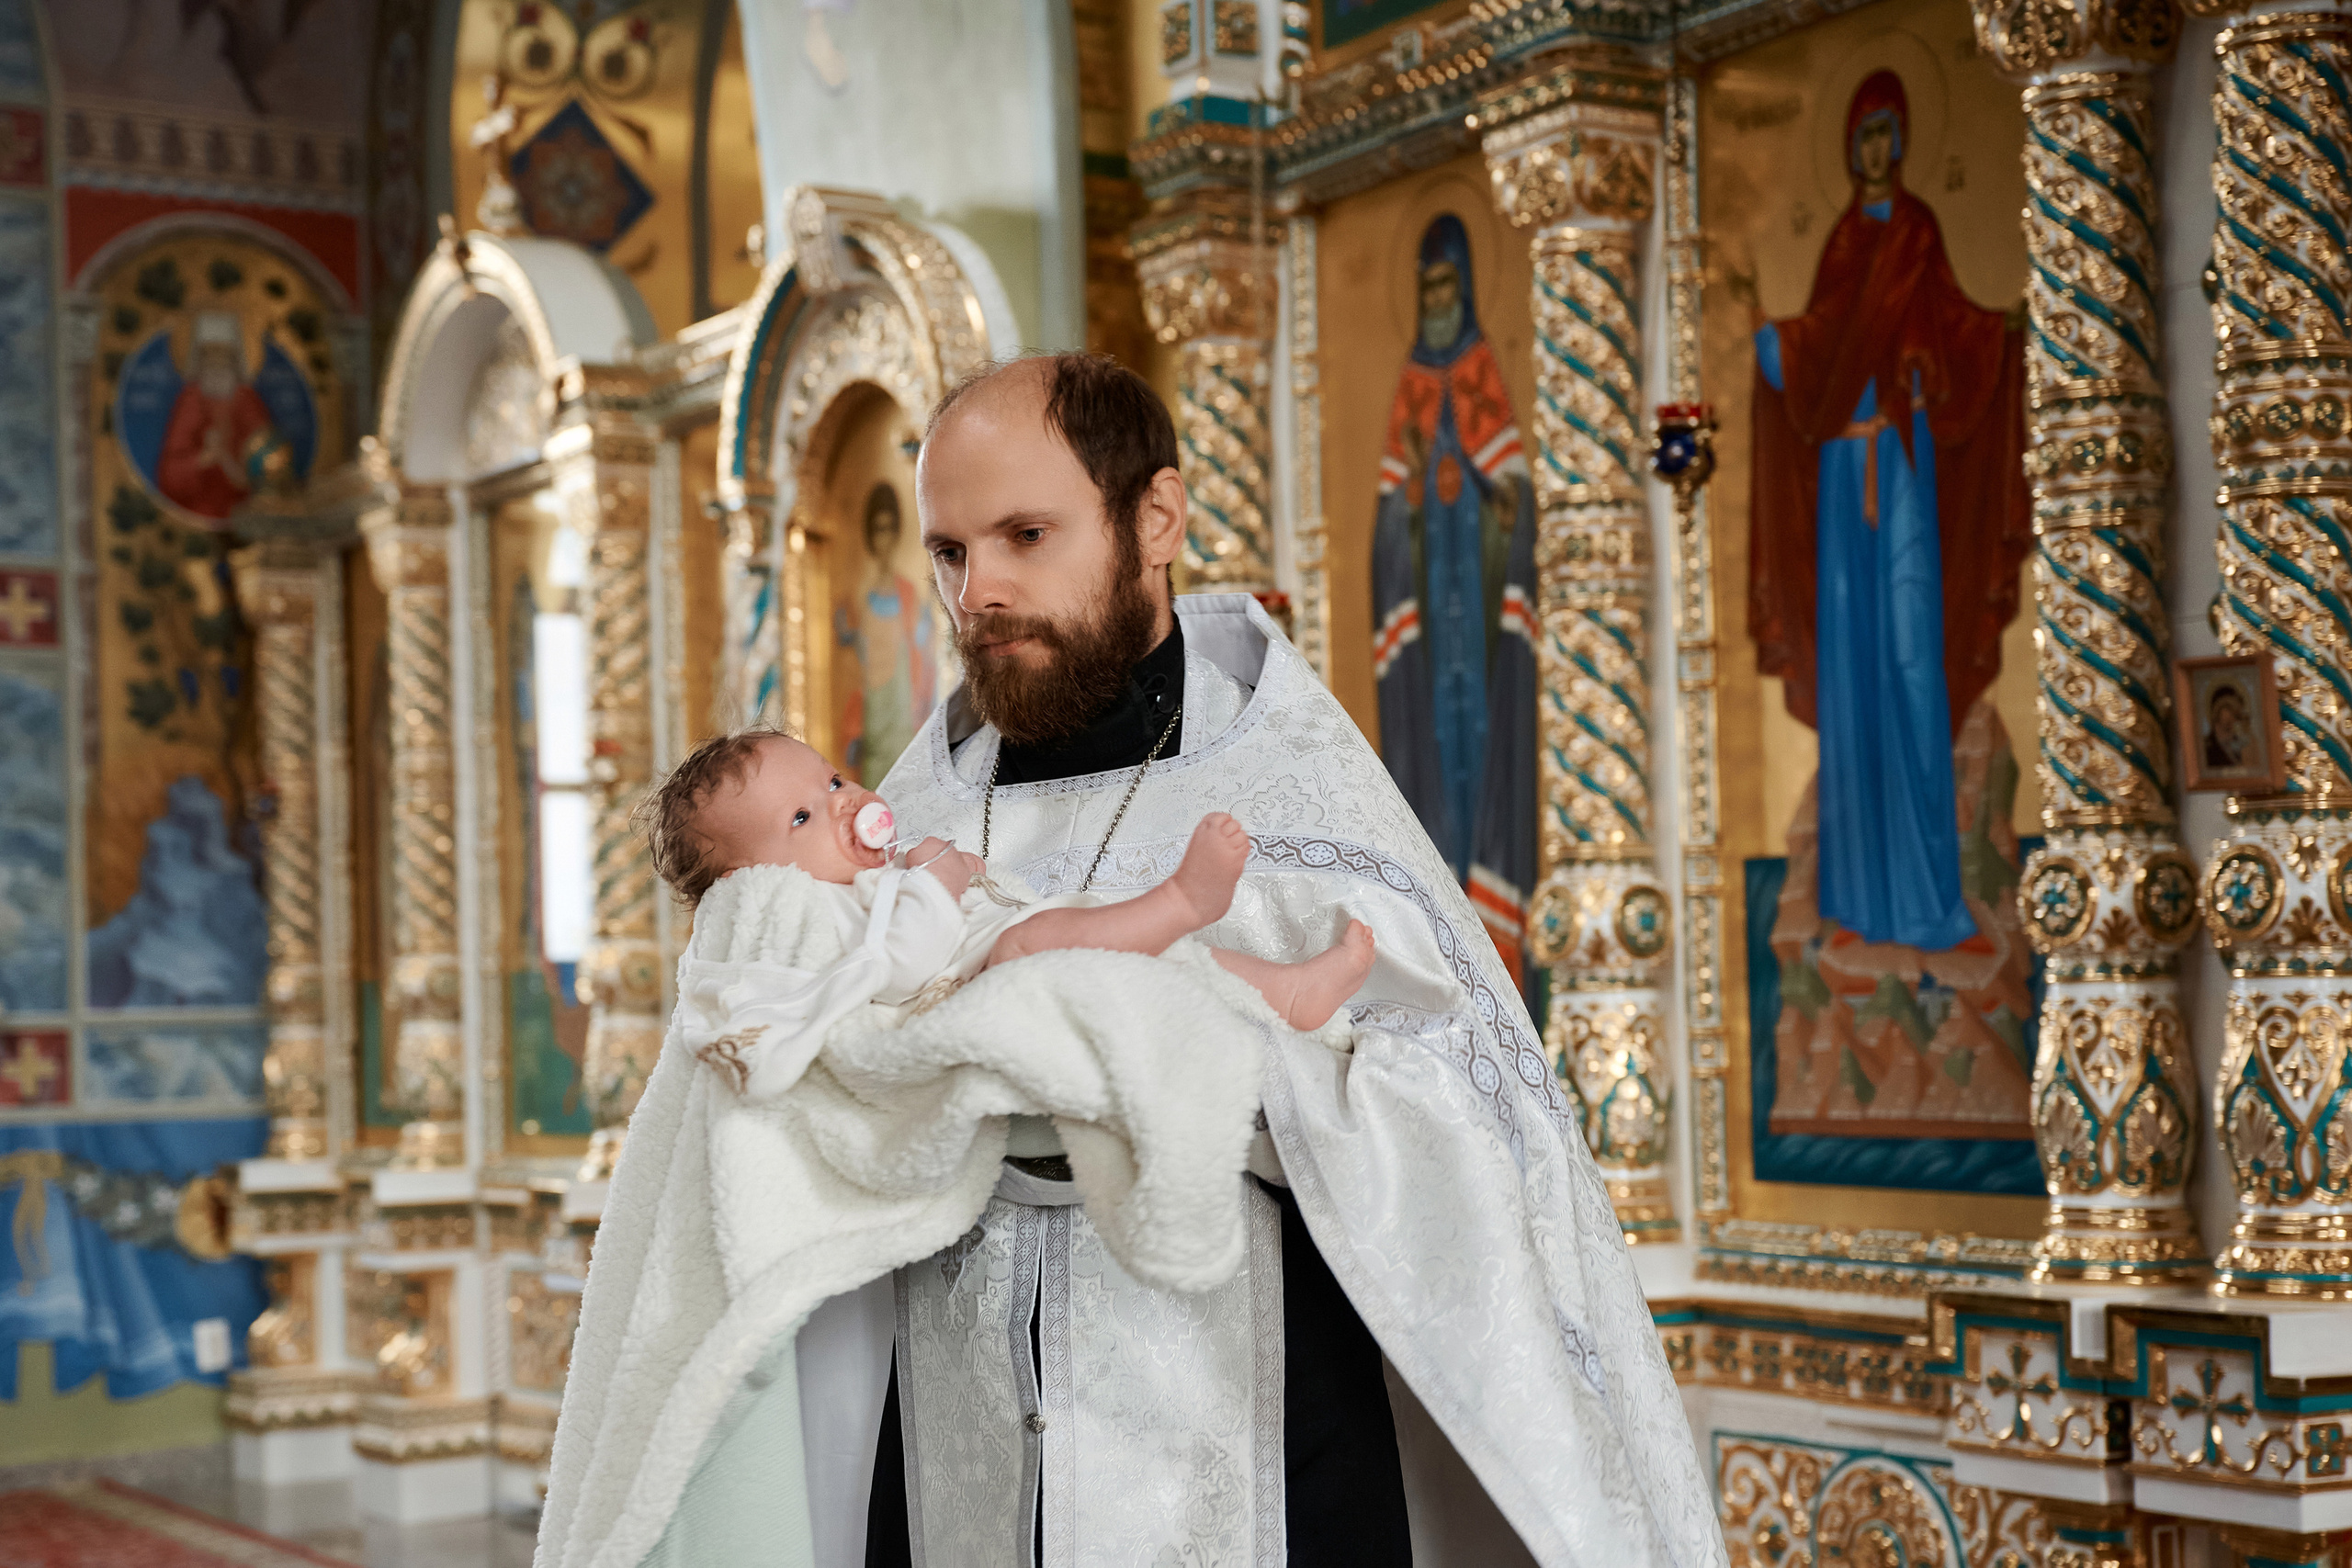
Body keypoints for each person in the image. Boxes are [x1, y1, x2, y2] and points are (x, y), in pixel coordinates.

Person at [536, 355, 1722, 1568]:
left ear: (1154, 519)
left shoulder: (1293, 796)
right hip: (961, 1447)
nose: (978, 590)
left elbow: (1459, 1123)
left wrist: (1203, 1069)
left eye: (1026, 533)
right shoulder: (910, 811)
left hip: (1255, 1440)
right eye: (949, 551)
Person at [634, 727, 1378, 1072]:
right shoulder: (810, 913)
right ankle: (1185, 896)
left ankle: (1288, 989)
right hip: (975, 979)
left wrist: (932, 866)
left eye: (831, 780)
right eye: (801, 817)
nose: (842, 802)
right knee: (1044, 943)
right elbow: (896, 966)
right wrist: (937, 882)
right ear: (756, 884)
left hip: (1003, 941)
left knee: (1155, 956)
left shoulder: (863, 876)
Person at [1744, 69, 2030, 951]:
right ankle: (1859, 900)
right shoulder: (1842, 245)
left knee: (1912, 667)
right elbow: (1824, 345)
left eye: (1886, 133)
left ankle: (1930, 896)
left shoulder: (1916, 233)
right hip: (1841, 482)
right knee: (1852, 676)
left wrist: (2006, 332)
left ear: (1904, 141)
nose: (1876, 149)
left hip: (1901, 476)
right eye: (1863, 134)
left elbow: (1955, 333)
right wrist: (1773, 339)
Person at [1370, 214, 1539, 984]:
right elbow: (1386, 522)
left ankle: (1497, 930)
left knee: (1485, 745)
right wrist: (1408, 502)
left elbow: (1513, 493)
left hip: (1480, 623)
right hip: (1434, 637)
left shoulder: (1479, 370)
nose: (1436, 298)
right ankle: (1444, 936)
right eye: (1426, 286)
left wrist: (1495, 505)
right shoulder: (1410, 381)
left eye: (1446, 284)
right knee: (1437, 757)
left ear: (1466, 287)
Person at [838, 483, 938, 785]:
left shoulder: (907, 591)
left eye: (890, 529)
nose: (885, 538)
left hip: (901, 698)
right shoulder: (858, 596)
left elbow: (923, 645)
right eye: (878, 530)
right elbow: (850, 657)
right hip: (872, 701)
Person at [157, 311, 285, 521]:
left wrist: (245, 465)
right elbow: (170, 470)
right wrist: (203, 459)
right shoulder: (191, 400)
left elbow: (269, 454)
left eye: (224, 355)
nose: (216, 362)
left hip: (246, 511)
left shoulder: (247, 400)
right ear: (199, 358)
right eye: (209, 354)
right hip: (199, 511)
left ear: (235, 358)